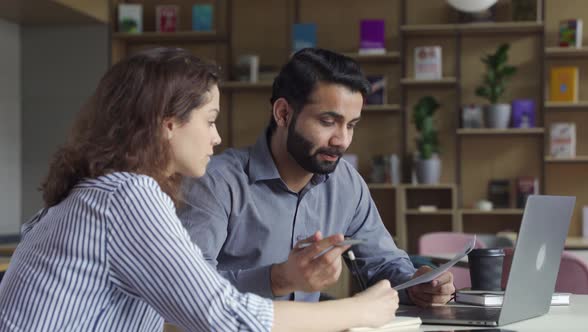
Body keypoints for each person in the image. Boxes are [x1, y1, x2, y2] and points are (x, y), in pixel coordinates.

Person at [0, 48, 399, 331]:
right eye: (209, 121)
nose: (217, 136)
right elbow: (227, 317)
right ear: (168, 123)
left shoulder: (102, 191)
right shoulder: (127, 197)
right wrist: (360, 312)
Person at [179, 48, 455, 306]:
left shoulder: (347, 183)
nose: (342, 140)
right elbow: (186, 290)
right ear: (284, 113)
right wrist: (278, 279)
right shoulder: (216, 182)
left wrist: (417, 284)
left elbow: (382, 265)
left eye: (351, 125)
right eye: (327, 122)